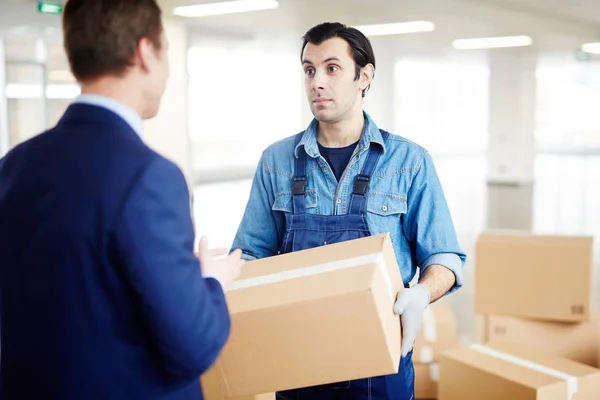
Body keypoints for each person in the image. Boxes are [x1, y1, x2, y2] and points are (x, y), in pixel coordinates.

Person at [0, 0, 244, 399]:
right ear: (146, 52)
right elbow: (193, 346)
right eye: (166, 50)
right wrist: (210, 282)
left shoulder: (12, 168)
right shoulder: (149, 177)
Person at [230, 22, 466, 399]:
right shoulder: (276, 162)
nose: (316, 82)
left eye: (332, 68)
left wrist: (421, 294)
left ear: (364, 76)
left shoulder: (409, 161)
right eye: (309, 69)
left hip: (381, 362)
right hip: (297, 359)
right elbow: (251, 253)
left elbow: (445, 256)